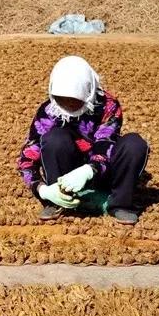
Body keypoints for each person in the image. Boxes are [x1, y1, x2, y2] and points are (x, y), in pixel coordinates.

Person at [17, 55, 149, 225]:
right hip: (66, 177)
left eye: (74, 99)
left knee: (135, 144)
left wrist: (89, 170)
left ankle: (120, 203)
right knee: (54, 138)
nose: (69, 104)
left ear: (88, 91)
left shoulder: (108, 106)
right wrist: (42, 190)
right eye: (62, 99)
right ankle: (58, 200)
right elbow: (27, 157)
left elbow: (105, 141)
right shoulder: (49, 111)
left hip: (103, 171)